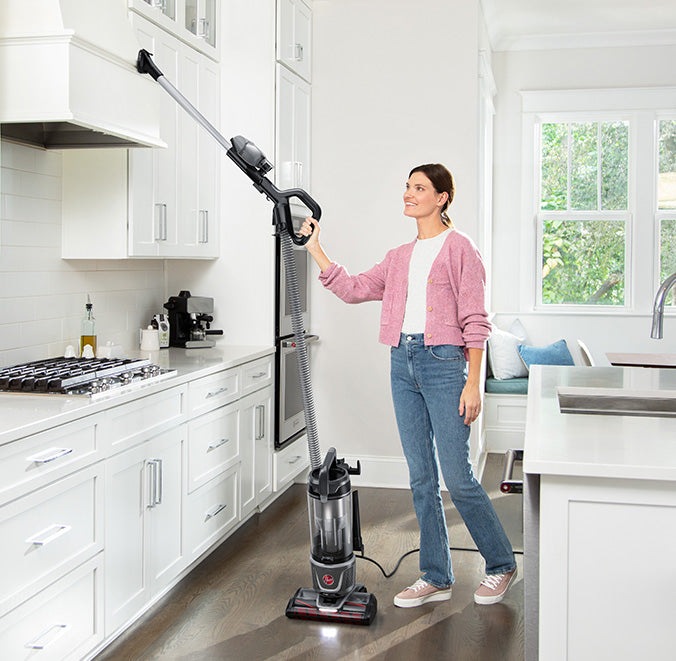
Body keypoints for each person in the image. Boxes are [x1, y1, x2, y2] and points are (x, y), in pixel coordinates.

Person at [298, 163, 517, 608]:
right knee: (420, 478)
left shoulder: (461, 250)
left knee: (458, 478)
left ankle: (501, 564)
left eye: (419, 188)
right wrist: (316, 249)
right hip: (403, 362)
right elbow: (356, 288)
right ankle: (436, 575)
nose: (409, 193)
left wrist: (473, 383)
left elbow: (476, 322)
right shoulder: (399, 257)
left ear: (442, 198)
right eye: (407, 186)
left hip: (444, 365)